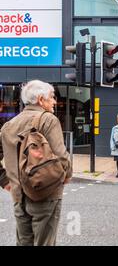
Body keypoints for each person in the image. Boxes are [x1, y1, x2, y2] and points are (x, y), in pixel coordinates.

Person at [0, 80, 72, 246]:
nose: (54, 101)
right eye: (52, 97)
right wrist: (66, 175)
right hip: (45, 192)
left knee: (24, 242)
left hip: (18, 195)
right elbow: (61, 156)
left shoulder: (8, 126)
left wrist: (4, 180)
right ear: (41, 99)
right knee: (44, 242)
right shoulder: (48, 120)